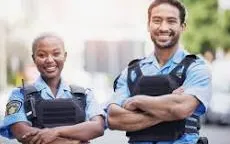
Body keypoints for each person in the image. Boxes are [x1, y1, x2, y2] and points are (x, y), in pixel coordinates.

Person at [107, 0, 211, 144]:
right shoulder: (131, 72)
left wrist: (137, 101)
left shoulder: (195, 68)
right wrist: (169, 109)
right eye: (157, 20)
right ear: (148, 26)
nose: (163, 27)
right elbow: (113, 118)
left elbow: (182, 108)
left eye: (171, 21)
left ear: (182, 27)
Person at [0, 33, 105, 144]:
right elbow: (22, 133)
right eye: (42, 55)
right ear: (34, 58)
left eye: (56, 54)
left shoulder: (84, 94)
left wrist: (56, 132)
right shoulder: (20, 94)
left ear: (64, 56)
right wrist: (74, 141)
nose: (49, 60)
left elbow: (98, 127)